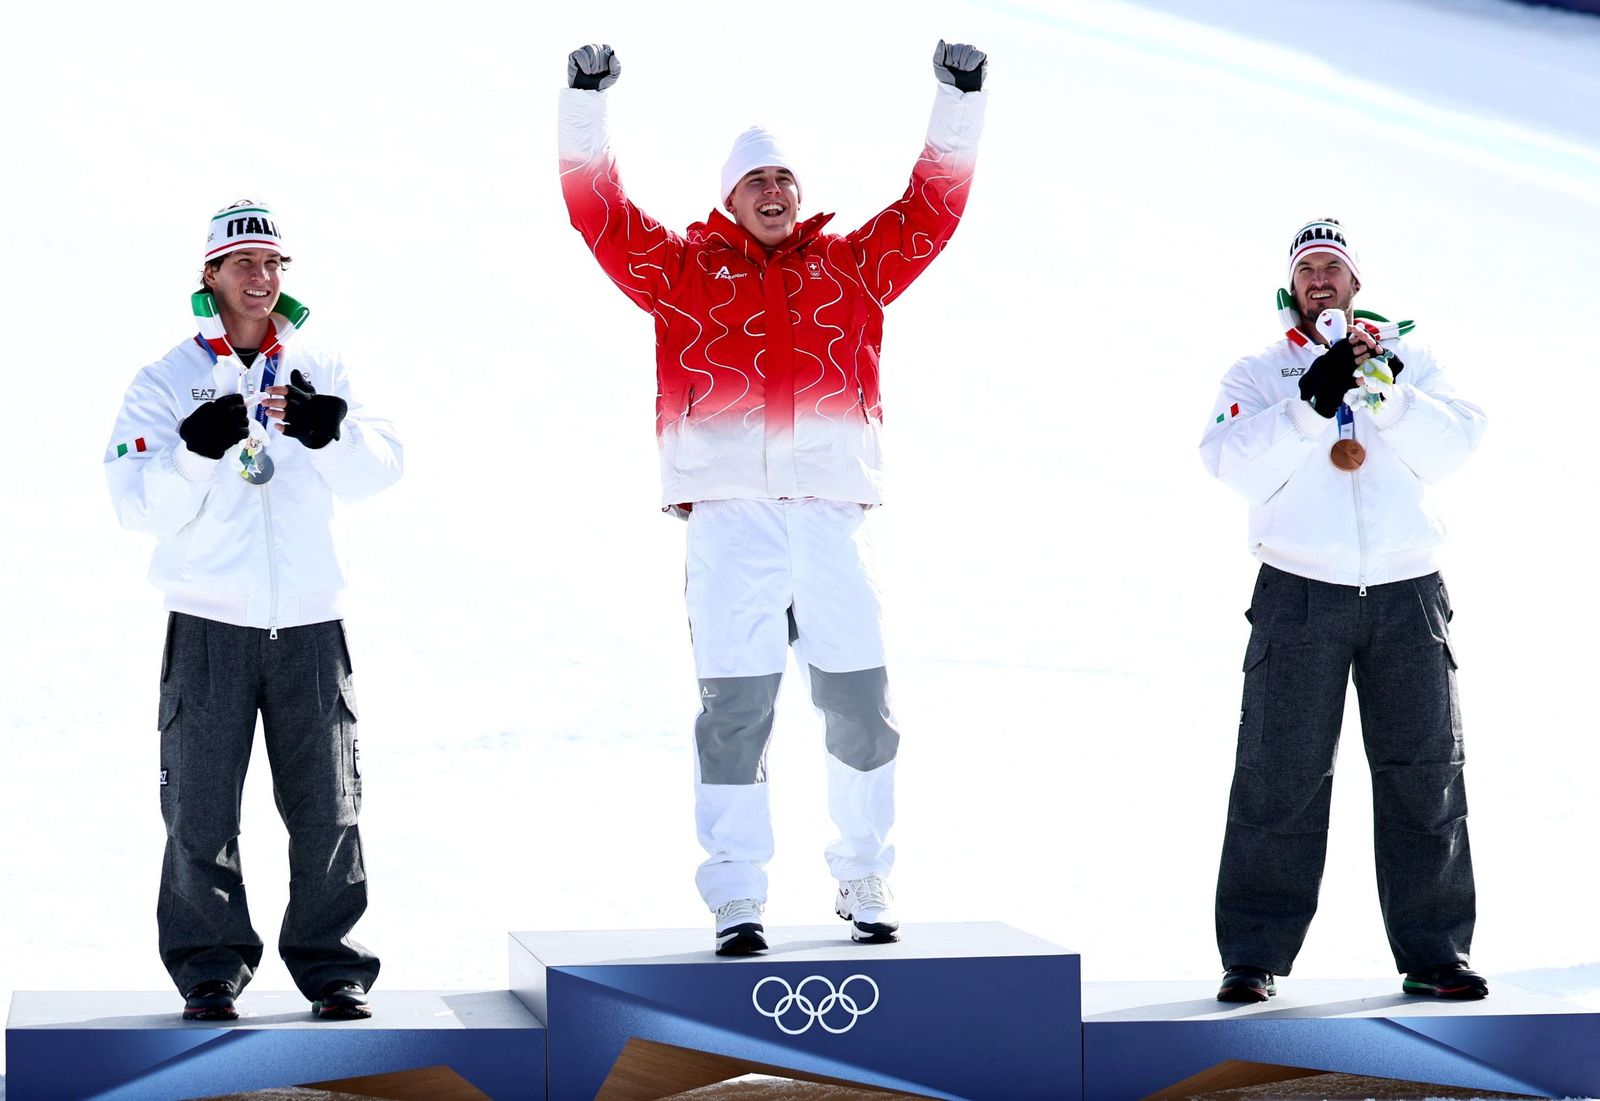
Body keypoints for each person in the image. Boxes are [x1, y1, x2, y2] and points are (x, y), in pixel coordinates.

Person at [559, 41, 987, 954]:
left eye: (785, 179)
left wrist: (960, 99)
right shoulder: (682, 274)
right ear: (730, 195)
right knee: (736, 710)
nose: (775, 192)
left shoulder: (852, 268)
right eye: (757, 180)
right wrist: (584, 104)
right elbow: (598, 216)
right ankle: (737, 893)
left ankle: (865, 871)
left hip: (832, 517)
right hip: (729, 521)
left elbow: (932, 211)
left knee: (861, 705)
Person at [105, 200, 403, 1020]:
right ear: (209, 275)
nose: (261, 277)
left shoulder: (322, 362)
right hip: (208, 622)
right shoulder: (165, 379)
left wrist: (328, 433)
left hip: (309, 618)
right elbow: (134, 507)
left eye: (273, 263)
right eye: (243, 263)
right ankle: (209, 964)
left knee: (329, 805)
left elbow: (384, 470)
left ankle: (331, 962)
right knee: (200, 807)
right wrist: (193, 457)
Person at [1199, 218, 1488, 1003]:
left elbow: (1456, 448)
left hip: (1407, 589)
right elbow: (1226, 461)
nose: (1320, 278)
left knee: (1424, 774)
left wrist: (1387, 392)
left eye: (1334, 266)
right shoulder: (1260, 370)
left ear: (1358, 281)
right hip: (1299, 589)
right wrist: (1308, 402)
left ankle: (1435, 955)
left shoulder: (1411, 357)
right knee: (1278, 771)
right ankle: (1253, 954)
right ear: (1290, 285)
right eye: (1307, 268)